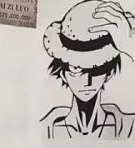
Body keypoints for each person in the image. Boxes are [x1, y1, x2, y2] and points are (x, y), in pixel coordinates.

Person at [41, 0, 135, 139]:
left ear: (109, 73)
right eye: (76, 69)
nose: (87, 81)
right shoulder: (47, 128)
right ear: (63, 73)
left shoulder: (128, 125)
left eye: (97, 69)